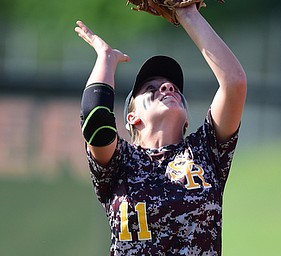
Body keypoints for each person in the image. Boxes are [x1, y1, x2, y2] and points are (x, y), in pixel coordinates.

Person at [75, 4, 246, 256]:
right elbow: (95, 119)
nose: (166, 87)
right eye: (150, 88)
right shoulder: (120, 162)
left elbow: (234, 83)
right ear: (132, 117)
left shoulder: (206, 151)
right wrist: (106, 58)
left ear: (187, 118)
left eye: (173, 88)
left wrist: (188, 14)